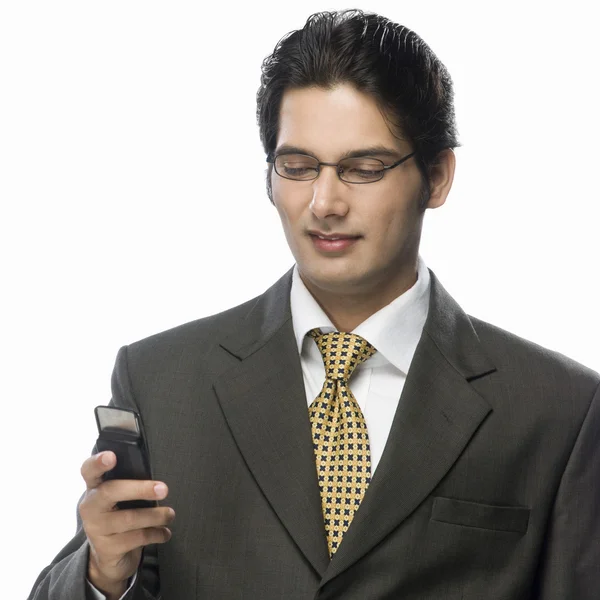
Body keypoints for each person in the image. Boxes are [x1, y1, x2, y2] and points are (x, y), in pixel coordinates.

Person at [29, 9, 600, 600]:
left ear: (437, 176)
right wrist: (103, 574)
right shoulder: (161, 381)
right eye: (298, 167)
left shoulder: (558, 412)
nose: (324, 203)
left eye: (364, 168)